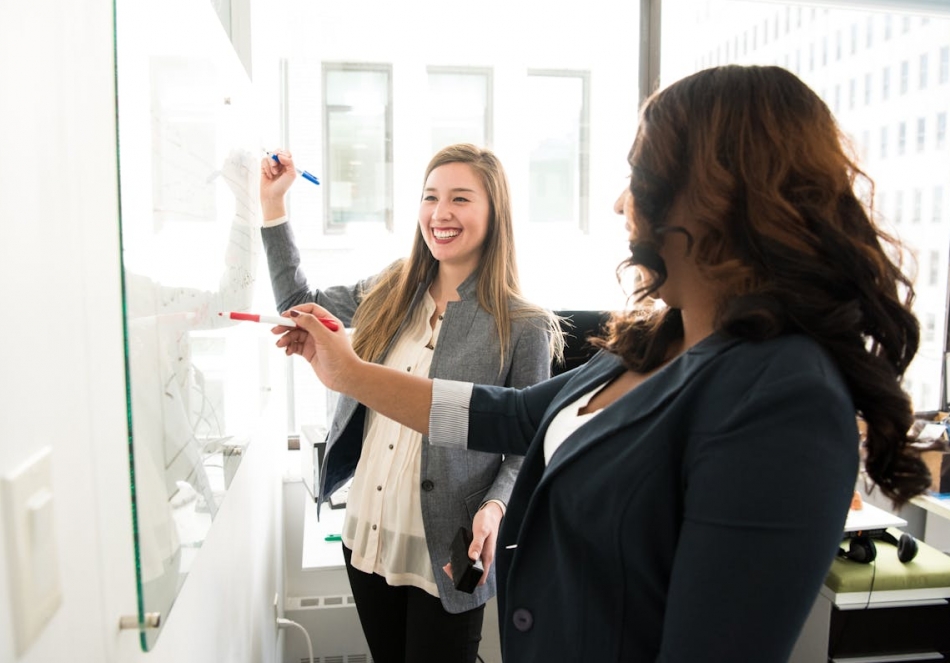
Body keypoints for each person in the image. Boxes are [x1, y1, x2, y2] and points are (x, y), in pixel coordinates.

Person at [272, 65, 932, 662]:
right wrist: (349, 374)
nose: (621, 203)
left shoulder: (783, 395)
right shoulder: (655, 341)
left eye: (638, 178)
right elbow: (513, 415)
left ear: (712, 197)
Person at [259, 143, 561, 663]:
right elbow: (296, 306)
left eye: (460, 199)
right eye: (430, 197)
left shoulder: (524, 325)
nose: (440, 214)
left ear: (494, 213)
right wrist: (273, 206)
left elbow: (526, 446)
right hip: (368, 532)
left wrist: (495, 507)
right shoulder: (391, 287)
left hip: (449, 547)